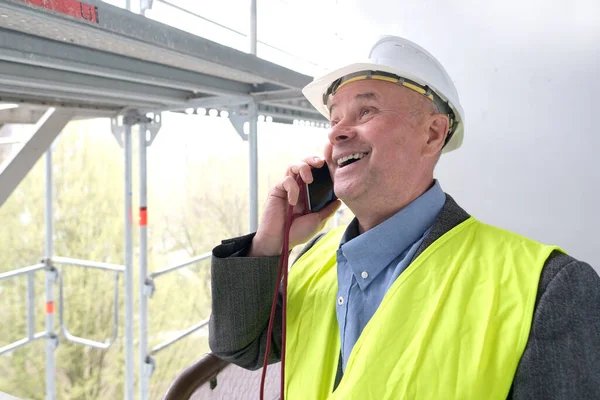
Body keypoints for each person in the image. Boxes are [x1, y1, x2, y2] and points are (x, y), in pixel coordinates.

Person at [208, 35, 600, 399]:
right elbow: (239, 347)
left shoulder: (549, 288)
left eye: (366, 110)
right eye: (334, 119)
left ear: (432, 134)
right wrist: (269, 243)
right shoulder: (313, 257)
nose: (337, 134)